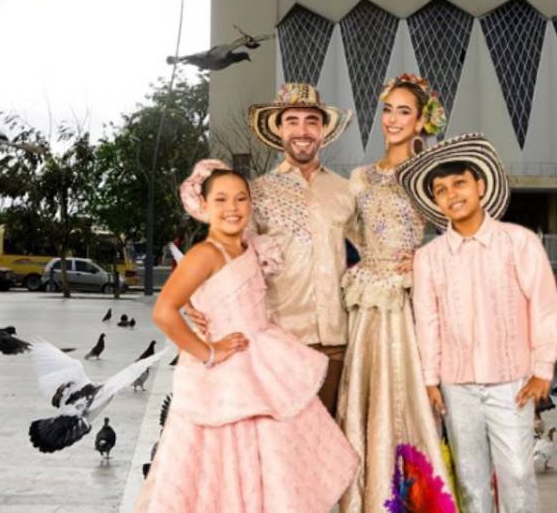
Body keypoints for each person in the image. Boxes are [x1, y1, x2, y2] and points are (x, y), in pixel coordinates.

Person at [135, 160, 358, 513]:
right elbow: (164, 311)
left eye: (241, 199)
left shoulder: (247, 248)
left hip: (262, 359)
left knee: (271, 455)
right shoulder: (204, 253)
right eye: (221, 200)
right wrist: (207, 350)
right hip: (224, 375)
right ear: (203, 206)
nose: (232, 208)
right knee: (222, 457)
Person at [399, 133, 557, 513]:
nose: (451, 194)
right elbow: (428, 321)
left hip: (512, 382)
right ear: (436, 202)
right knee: (472, 480)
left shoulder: (518, 243)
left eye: (459, 183)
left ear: (480, 186)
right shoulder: (430, 257)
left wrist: (542, 370)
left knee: (519, 473)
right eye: (441, 190)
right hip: (457, 385)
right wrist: (429, 378)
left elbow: (544, 306)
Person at [187, 82, 356, 416]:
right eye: (292, 121)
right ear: (279, 130)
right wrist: (199, 300)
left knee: (330, 448)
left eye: (311, 121)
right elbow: (228, 258)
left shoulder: (346, 191)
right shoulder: (257, 194)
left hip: (339, 341)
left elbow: (370, 254)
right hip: (283, 342)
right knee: (287, 448)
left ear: (323, 130)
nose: (302, 130)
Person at [337, 74, 454, 512]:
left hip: (409, 305)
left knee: (409, 401)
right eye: (388, 109)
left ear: (423, 120)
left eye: (404, 111)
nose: (392, 119)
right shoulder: (360, 177)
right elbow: (342, 232)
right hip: (365, 304)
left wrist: (427, 262)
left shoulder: (432, 176)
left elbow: (462, 238)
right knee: (364, 405)